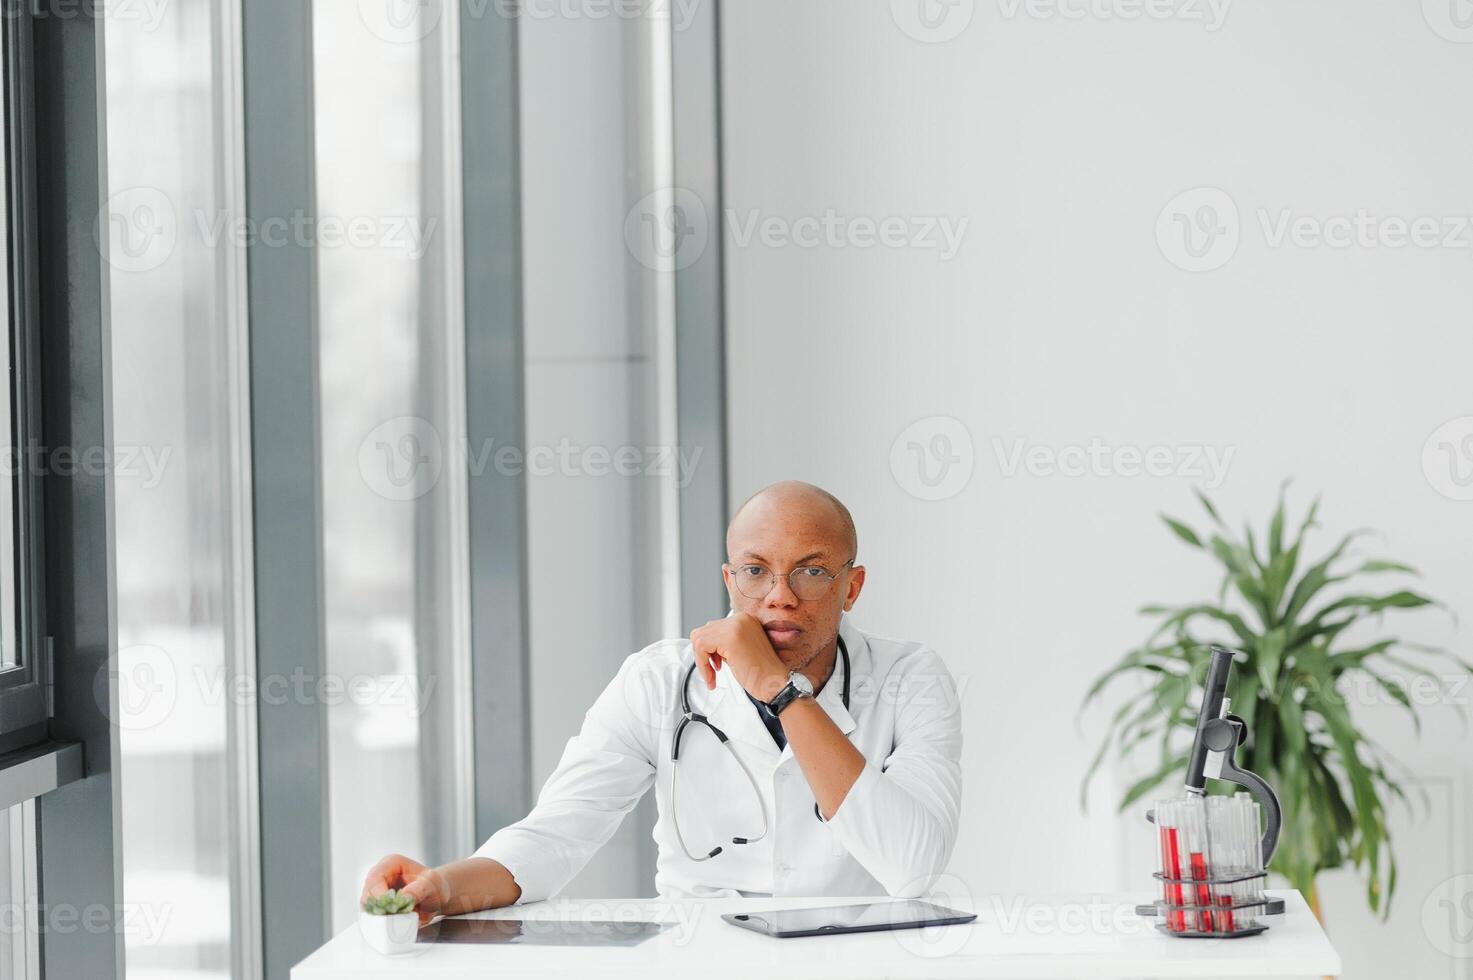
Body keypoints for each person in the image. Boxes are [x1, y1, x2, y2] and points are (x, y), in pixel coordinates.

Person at [361, 481, 963, 923]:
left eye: (810, 573)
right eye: (756, 571)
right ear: (730, 582)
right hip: (700, 958)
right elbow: (554, 837)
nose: (780, 597)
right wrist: (442, 887)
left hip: (852, 960)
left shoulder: (911, 679)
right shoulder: (657, 681)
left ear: (851, 586)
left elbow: (912, 866)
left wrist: (780, 693)